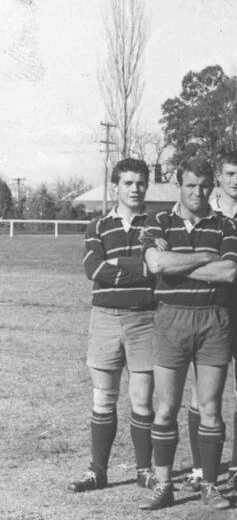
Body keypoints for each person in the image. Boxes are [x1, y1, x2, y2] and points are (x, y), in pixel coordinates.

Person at [139, 158, 237, 511]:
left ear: (212, 187)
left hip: (214, 319)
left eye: (204, 186)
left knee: (210, 407)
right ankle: (164, 483)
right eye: (190, 185)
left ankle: (210, 485)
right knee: (165, 407)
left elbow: (228, 272)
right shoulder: (159, 221)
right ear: (178, 185)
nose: (197, 192)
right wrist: (202, 256)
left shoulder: (226, 224)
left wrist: (179, 263)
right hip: (171, 319)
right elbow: (156, 265)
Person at [184, 151, 237, 494]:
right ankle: (198, 467)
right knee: (202, 392)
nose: (236, 181)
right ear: (218, 177)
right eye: (230, 174)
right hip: (209, 308)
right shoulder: (204, 211)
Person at [69, 158, 157, 494]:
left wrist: (118, 263)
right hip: (105, 317)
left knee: (142, 400)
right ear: (115, 187)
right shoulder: (97, 226)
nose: (135, 189)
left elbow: (158, 270)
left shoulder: (157, 225)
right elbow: (93, 268)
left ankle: (144, 470)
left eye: (140, 183)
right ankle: (98, 471)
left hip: (145, 318)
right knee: (103, 398)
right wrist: (138, 267)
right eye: (128, 183)